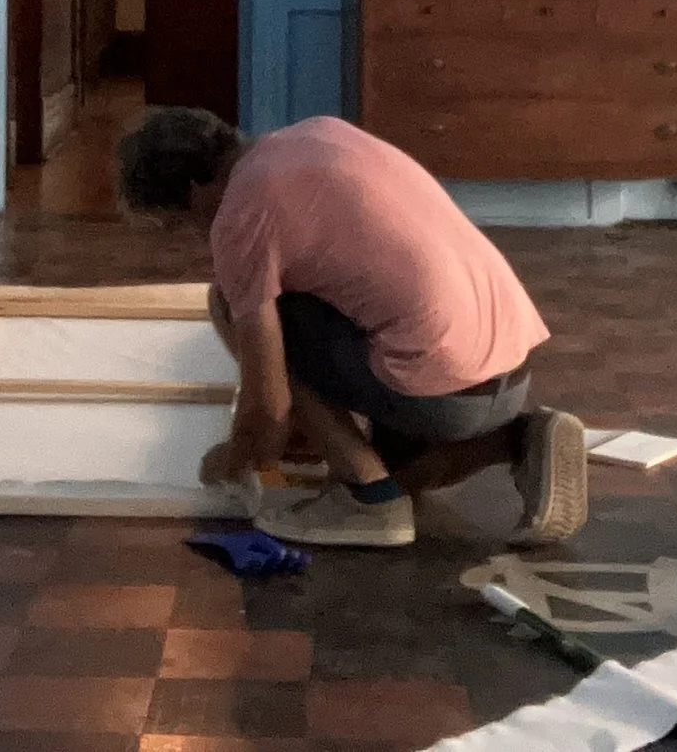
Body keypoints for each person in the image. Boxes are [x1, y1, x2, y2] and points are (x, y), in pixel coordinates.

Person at [116, 105, 587, 549]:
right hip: (508, 376)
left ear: (194, 190)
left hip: (442, 398)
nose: (194, 234)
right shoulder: (319, 132)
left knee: (229, 301)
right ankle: (518, 439)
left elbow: (269, 404)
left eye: (179, 223)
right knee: (403, 470)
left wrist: (236, 455)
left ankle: (370, 500)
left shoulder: (240, 213)